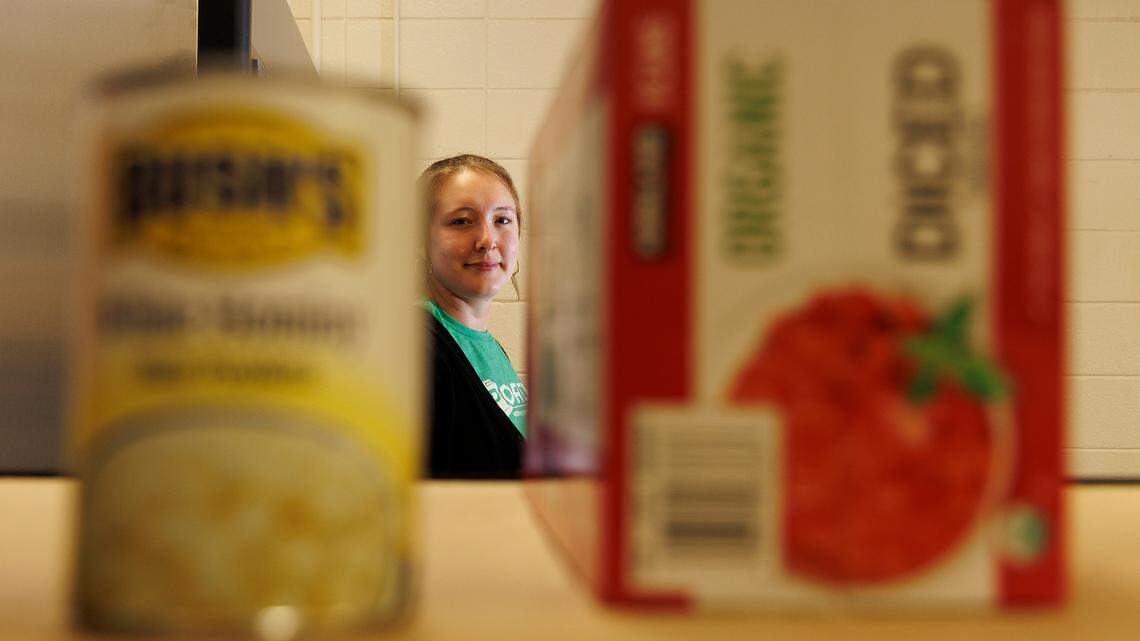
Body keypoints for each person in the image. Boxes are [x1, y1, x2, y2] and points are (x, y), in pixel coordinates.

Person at [419, 155, 527, 478]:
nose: (487, 240)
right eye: (462, 221)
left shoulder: (489, 346)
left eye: (503, 220)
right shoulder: (417, 346)